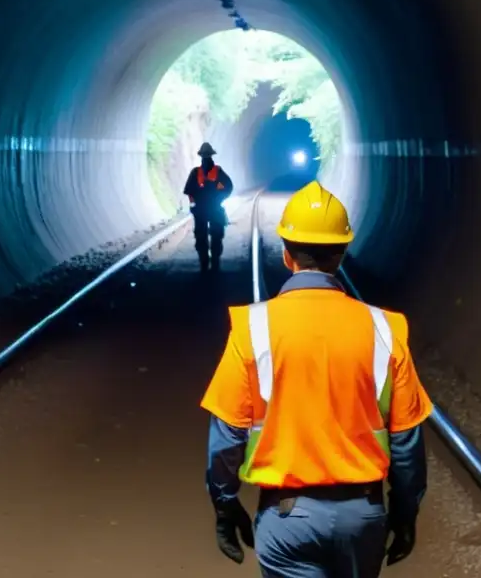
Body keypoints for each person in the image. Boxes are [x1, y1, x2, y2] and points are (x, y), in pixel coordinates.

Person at [200, 181, 432, 577]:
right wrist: (405, 512)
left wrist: (225, 505)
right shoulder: (384, 329)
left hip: (287, 517)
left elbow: (227, 437)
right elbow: (407, 442)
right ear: (342, 254)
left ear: (286, 255)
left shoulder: (252, 329)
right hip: (363, 516)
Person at [183, 142, 235, 272]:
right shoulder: (197, 172)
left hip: (211, 208)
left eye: (207, 156)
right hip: (205, 209)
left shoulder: (214, 171)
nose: (206, 158)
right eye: (205, 156)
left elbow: (228, 187)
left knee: (214, 234)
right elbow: (189, 191)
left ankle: (212, 261)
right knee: (204, 236)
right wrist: (194, 203)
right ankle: (206, 261)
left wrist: (219, 198)